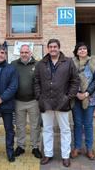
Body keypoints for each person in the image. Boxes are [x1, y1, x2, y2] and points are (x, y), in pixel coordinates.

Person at [34, 39, 79, 167]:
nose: (53, 49)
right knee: (47, 129)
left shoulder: (68, 62)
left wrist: (69, 97)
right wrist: (39, 96)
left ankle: (65, 156)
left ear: (59, 48)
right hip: (46, 101)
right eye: (51, 47)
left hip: (62, 102)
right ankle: (48, 154)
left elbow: (75, 81)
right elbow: (36, 81)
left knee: (65, 129)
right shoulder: (41, 63)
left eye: (55, 47)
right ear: (48, 48)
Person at [11, 44, 42, 159]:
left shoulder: (38, 64)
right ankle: (20, 146)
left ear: (30, 53)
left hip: (34, 101)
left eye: (26, 52)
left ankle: (35, 147)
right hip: (18, 101)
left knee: (35, 126)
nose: (24, 54)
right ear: (20, 53)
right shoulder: (14, 64)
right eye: (22, 52)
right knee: (20, 125)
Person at [70, 42, 95, 160]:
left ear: (87, 51)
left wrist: (87, 93)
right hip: (76, 98)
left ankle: (89, 148)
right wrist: (77, 93)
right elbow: (69, 79)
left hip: (90, 98)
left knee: (88, 124)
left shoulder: (93, 62)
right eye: (80, 49)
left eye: (84, 49)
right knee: (77, 124)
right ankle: (77, 147)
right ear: (76, 51)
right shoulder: (71, 63)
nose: (82, 51)